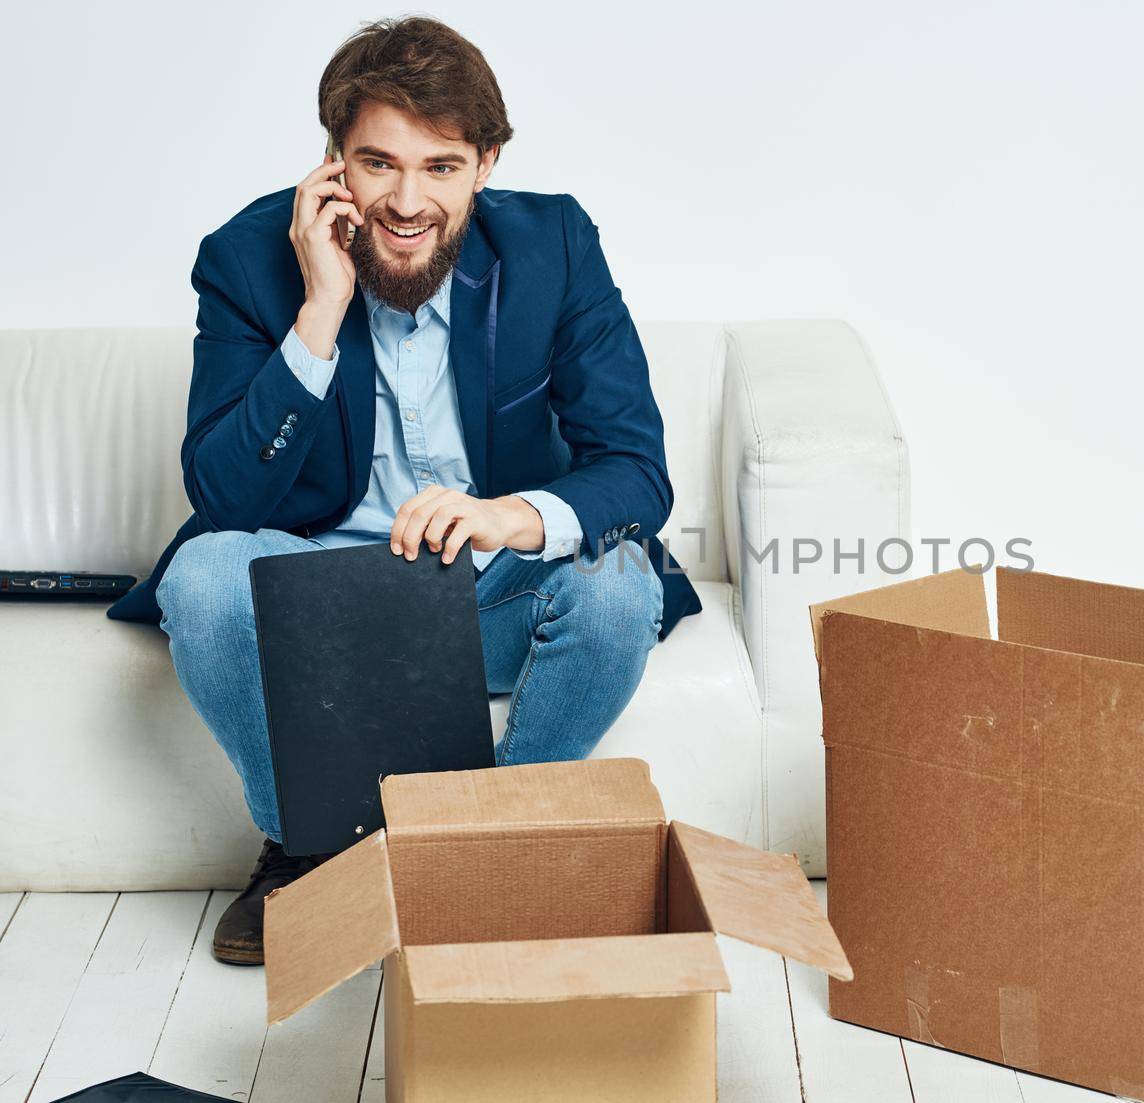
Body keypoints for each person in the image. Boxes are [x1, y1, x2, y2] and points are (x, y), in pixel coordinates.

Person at [106, 16, 701, 965]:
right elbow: (221, 497)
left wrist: (511, 516)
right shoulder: (246, 258)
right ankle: (308, 847)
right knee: (206, 578)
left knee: (621, 583)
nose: (408, 202)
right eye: (378, 165)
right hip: (321, 597)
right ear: (335, 162)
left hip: (486, 590)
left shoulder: (553, 244)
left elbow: (636, 467)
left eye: (442, 166)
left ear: (486, 163)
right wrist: (321, 308)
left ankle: (484, 846)